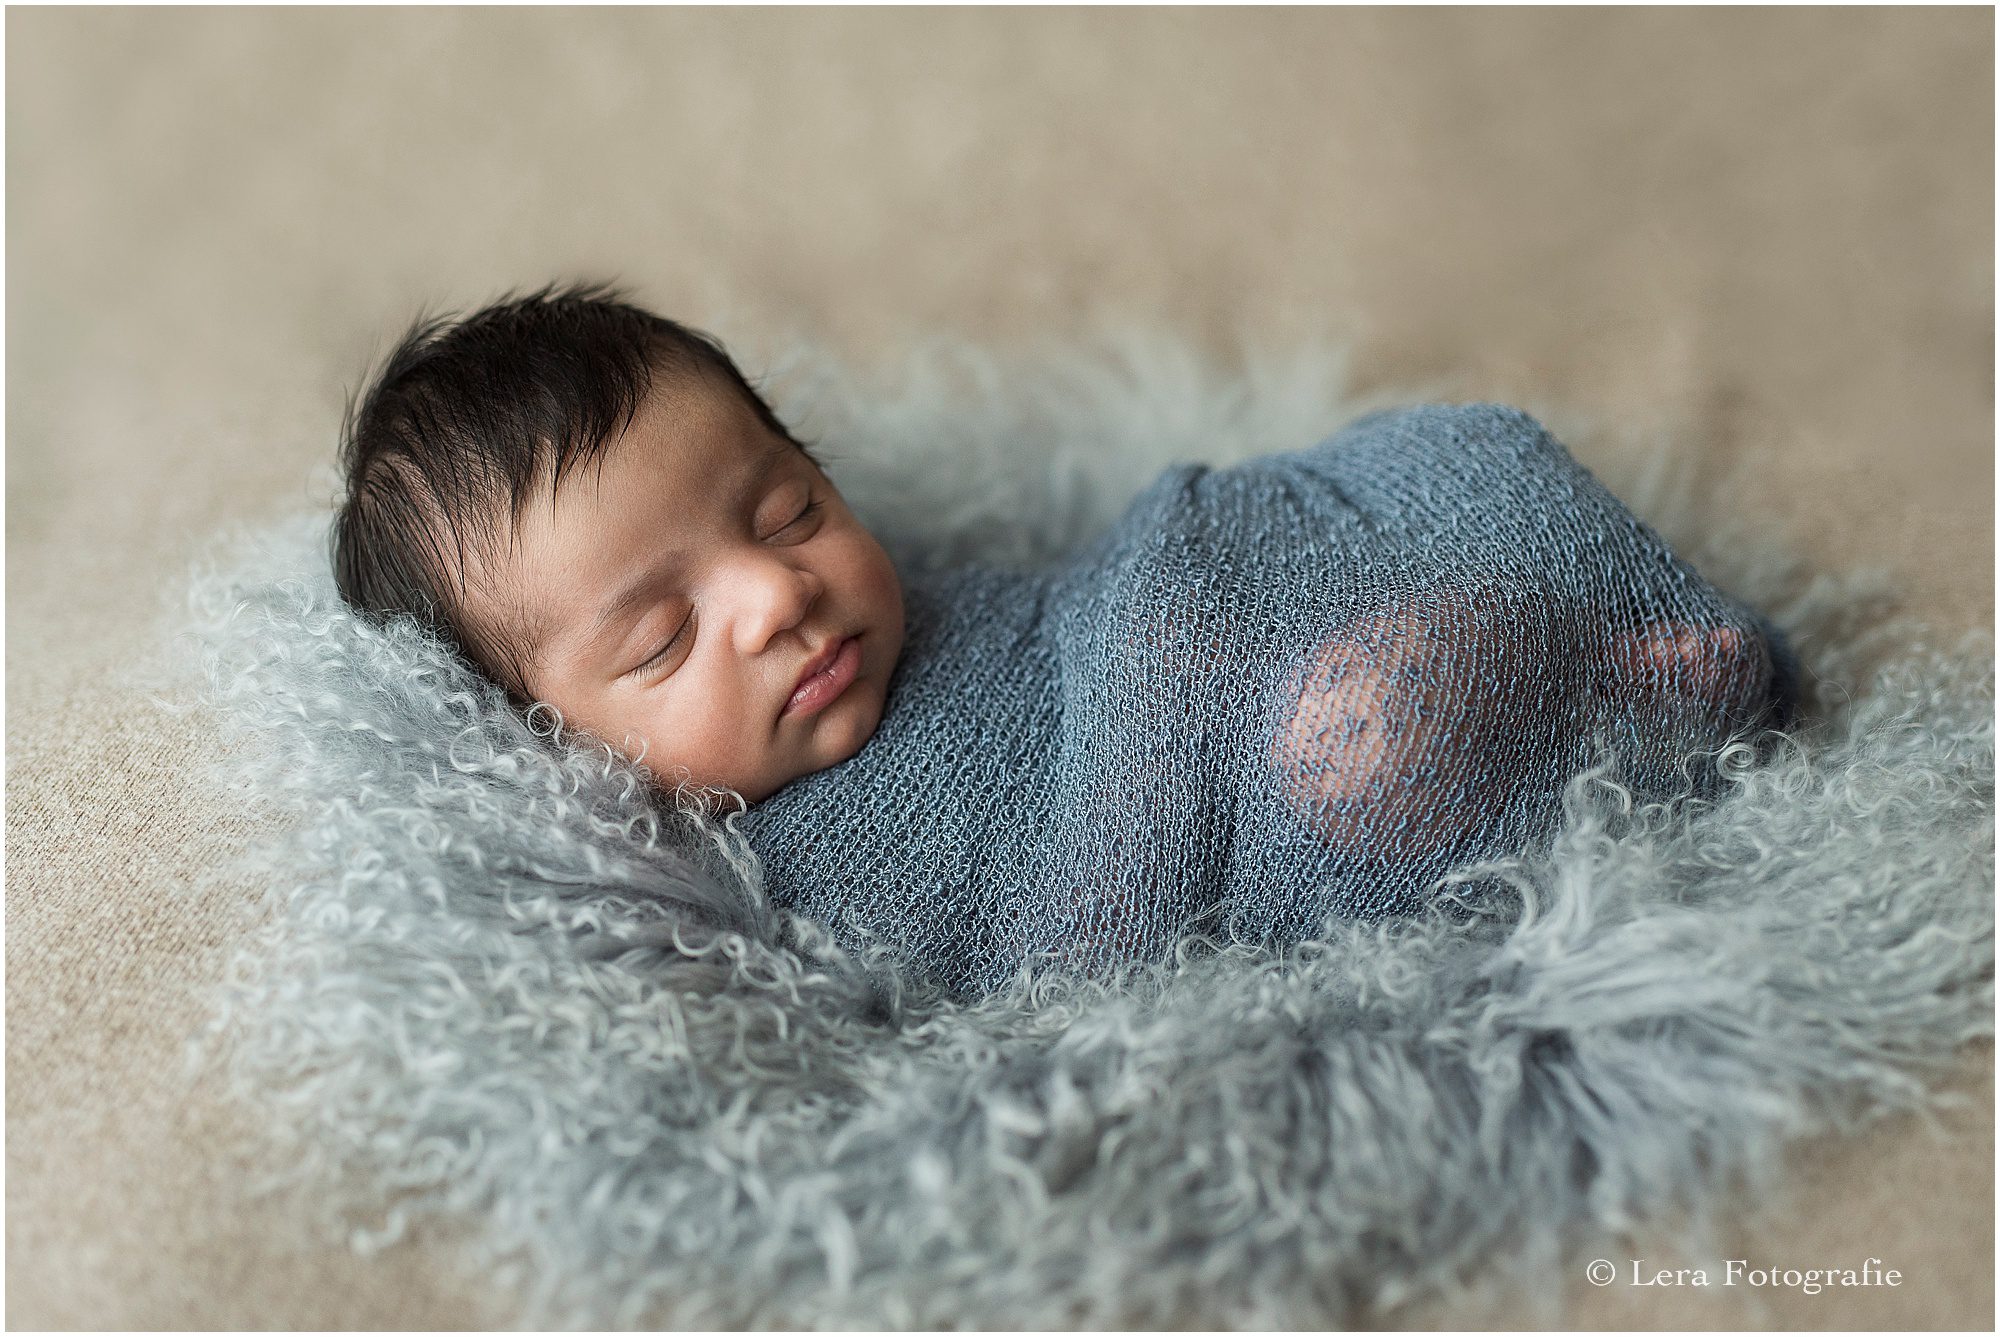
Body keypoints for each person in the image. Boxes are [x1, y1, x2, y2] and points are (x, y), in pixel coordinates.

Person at [334, 283, 1800, 997]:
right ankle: (1616, 683)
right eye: (663, 641)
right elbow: (1065, 960)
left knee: (1422, 474)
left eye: (788, 510)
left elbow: (1081, 609)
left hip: (1186, 610)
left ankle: (1575, 635)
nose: (775, 596)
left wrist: (1172, 610)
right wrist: (1170, 693)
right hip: (1239, 773)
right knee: (1360, 740)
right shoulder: (766, 895)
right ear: (547, 747)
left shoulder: (924, 605)